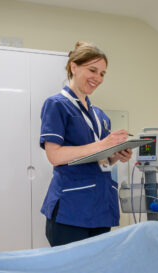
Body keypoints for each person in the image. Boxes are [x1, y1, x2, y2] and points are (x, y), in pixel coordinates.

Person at [40, 41, 132, 247]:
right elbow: (54, 156)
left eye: (102, 74)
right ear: (74, 66)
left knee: (96, 272)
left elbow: (100, 160)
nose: (98, 78)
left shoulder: (100, 115)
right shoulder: (56, 105)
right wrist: (103, 145)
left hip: (100, 206)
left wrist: (115, 155)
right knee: (69, 272)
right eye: (93, 70)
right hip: (71, 209)